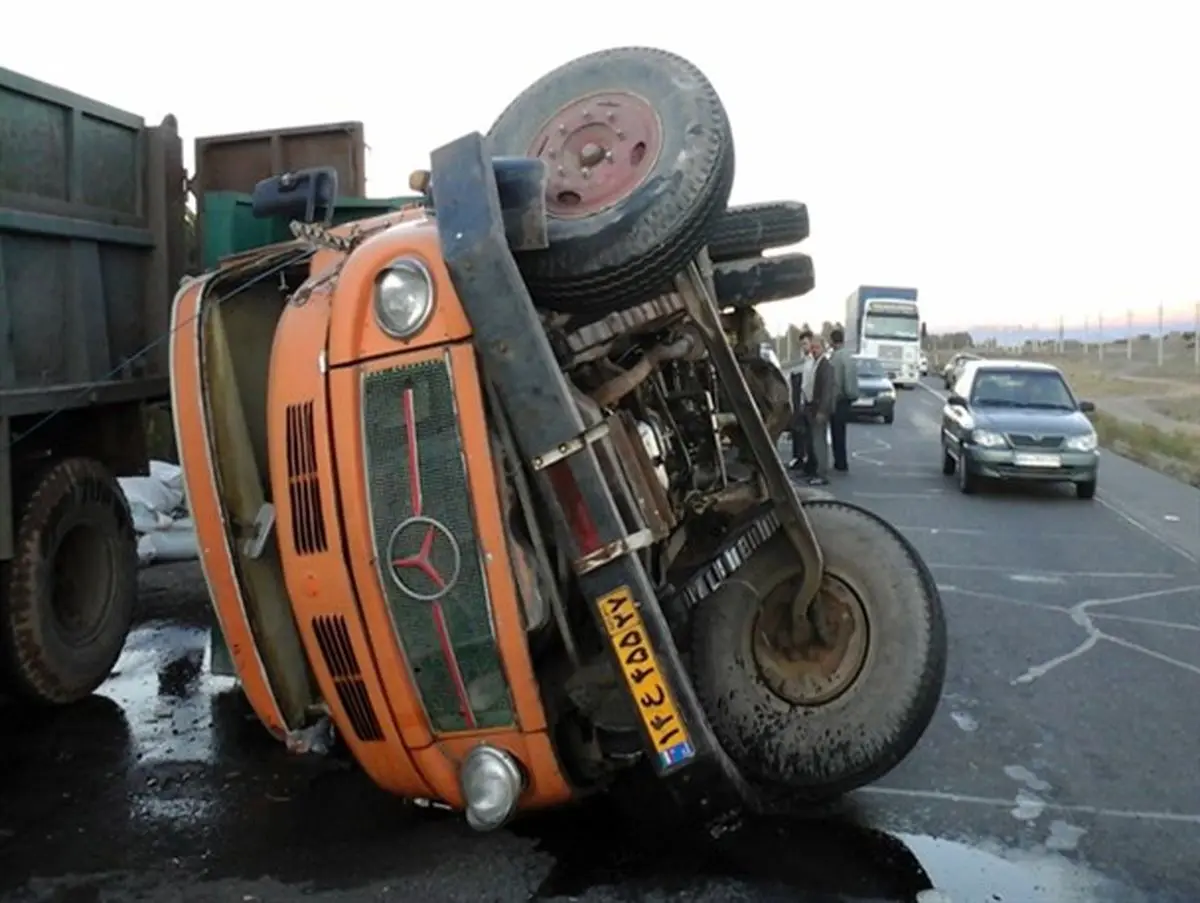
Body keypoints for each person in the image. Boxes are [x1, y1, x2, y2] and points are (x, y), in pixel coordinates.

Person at [805, 335, 836, 486]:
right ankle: (817, 471)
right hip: (812, 407)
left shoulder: (826, 366)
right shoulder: (816, 363)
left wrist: (822, 411)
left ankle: (822, 474)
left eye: (817, 347)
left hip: (819, 409)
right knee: (815, 441)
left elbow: (827, 391)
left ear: (823, 348)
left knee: (819, 442)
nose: (814, 350)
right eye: (812, 348)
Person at [827, 327, 858, 472]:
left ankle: (840, 462)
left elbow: (834, 380)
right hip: (847, 398)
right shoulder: (849, 355)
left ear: (833, 341)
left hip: (838, 399)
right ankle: (842, 461)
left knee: (836, 432)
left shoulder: (836, 357)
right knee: (841, 432)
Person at [788, 330, 815, 473]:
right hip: (803, 403)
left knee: (810, 435)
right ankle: (800, 459)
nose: (803, 347)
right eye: (802, 344)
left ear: (811, 343)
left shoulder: (813, 361)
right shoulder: (805, 361)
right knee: (800, 431)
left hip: (810, 403)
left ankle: (810, 464)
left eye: (805, 343)